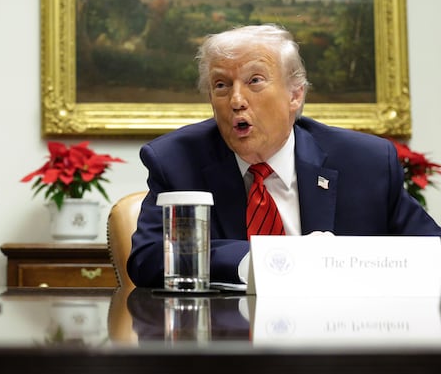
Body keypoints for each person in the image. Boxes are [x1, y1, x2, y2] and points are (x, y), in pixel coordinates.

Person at [127, 23, 441, 288]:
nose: (236, 100)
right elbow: (148, 259)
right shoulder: (177, 160)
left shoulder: (365, 162)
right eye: (221, 85)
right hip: (224, 336)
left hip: (339, 333)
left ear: (295, 94)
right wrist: (261, 261)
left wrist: (345, 262)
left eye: (254, 81)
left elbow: (432, 253)